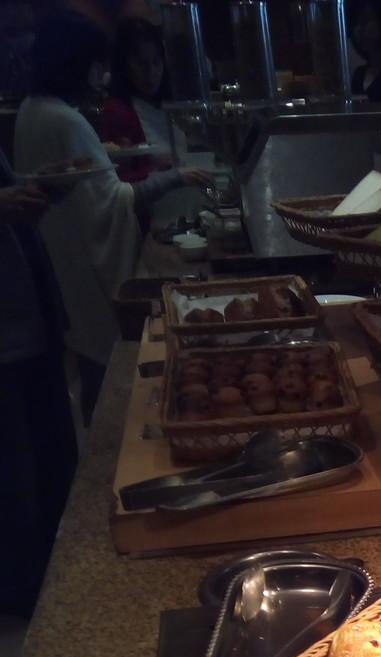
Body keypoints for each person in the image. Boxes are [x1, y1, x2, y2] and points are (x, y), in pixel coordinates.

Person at [14, 13, 203, 419]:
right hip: (83, 263)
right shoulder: (64, 119)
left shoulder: (32, 109)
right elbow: (113, 200)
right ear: (76, 63)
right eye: (96, 64)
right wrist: (175, 177)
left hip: (63, 258)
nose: (101, 75)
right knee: (105, 369)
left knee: (89, 360)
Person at [0, 152, 78, 618]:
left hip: (31, 325)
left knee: (53, 464)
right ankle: (25, 598)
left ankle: (56, 586)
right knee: (15, 480)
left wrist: (33, 187)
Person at [99, 18, 195, 190]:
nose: (151, 72)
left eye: (156, 62)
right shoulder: (117, 110)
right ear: (124, 66)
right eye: (140, 64)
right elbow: (112, 183)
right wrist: (154, 168)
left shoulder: (170, 104)